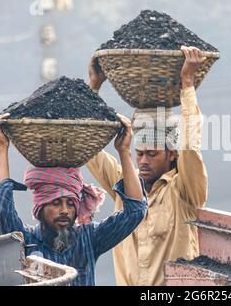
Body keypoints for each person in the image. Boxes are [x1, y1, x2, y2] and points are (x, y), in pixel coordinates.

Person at [86, 46, 208, 285]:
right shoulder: (124, 186)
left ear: (171, 154)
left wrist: (187, 82)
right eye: (139, 154)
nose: (142, 161)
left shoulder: (183, 190)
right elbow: (90, 150)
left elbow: (191, 147)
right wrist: (94, 88)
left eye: (152, 154)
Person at [0, 113, 147, 286]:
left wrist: (124, 151)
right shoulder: (26, 241)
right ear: (39, 207)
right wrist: (2, 148)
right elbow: (2, 211)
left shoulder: (89, 239)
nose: (65, 210)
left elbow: (135, 212)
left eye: (71, 203)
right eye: (56, 203)